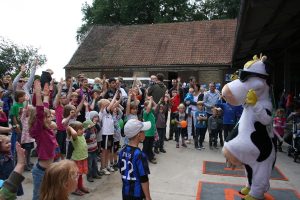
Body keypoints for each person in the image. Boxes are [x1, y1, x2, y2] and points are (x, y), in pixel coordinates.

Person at [29, 81, 57, 200]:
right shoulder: (38, 130)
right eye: (48, 117)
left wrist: (46, 95)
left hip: (50, 169)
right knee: (39, 196)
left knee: (49, 195)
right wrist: (38, 94)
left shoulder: (47, 128)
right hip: (41, 171)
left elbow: (44, 109)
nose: (50, 118)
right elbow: (41, 112)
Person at [118, 119, 152, 200]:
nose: (145, 133)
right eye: (143, 131)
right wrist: (148, 197)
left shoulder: (121, 152)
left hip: (125, 192)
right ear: (139, 135)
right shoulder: (140, 155)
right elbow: (144, 178)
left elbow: (121, 170)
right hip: (137, 194)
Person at [67, 121, 89, 196]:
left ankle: (80, 186)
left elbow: (83, 130)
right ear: (75, 130)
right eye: (80, 129)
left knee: (80, 174)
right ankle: (74, 189)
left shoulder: (81, 135)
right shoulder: (74, 138)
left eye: (82, 128)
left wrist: (84, 128)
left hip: (83, 158)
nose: (82, 130)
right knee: (76, 175)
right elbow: (74, 133)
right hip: (77, 159)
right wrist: (69, 127)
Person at [142, 97, 157, 164]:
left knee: (150, 146)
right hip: (147, 133)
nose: (150, 107)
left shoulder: (151, 112)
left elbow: (156, 106)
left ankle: (150, 157)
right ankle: (142, 159)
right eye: (149, 105)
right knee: (145, 147)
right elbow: (148, 108)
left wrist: (152, 100)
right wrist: (150, 101)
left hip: (152, 133)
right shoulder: (145, 112)